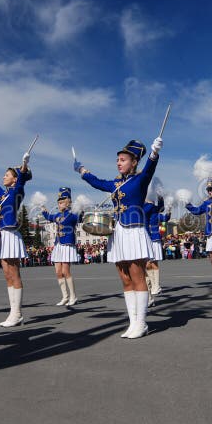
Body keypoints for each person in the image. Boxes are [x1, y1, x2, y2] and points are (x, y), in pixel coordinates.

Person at [75, 137, 163, 339]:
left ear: (133, 162)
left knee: (137, 275)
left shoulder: (140, 179)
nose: (119, 163)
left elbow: (150, 168)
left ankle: (141, 323)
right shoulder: (115, 183)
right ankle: (133, 322)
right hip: (119, 232)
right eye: (118, 160)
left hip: (134, 230)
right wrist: (81, 170)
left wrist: (154, 153)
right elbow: (97, 182)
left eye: (123, 159)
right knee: (124, 278)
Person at [0, 153, 32, 327]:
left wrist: (24, 163)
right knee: (6, 274)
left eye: (7, 175)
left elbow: (23, 178)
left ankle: (17, 314)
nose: (4, 176)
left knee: (14, 273)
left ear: (14, 179)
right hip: (2, 235)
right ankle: (13, 312)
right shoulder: (4, 195)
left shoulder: (17, 190)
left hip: (11, 234)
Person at [41, 187, 80, 306]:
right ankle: (65, 296)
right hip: (58, 244)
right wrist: (43, 208)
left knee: (65, 271)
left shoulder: (73, 215)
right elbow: (48, 217)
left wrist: (81, 207)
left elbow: (81, 217)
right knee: (58, 272)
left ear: (68, 202)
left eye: (62, 202)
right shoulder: (57, 215)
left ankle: (73, 296)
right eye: (58, 202)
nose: (59, 204)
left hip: (67, 244)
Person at [144, 193, 171, 305]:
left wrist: (161, 198)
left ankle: (156, 285)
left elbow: (164, 216)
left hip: (154, 237)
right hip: (147, 237)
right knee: (149, 263)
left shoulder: (154, 210)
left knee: (153, 262)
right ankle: (154, 285)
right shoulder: (143, 208)